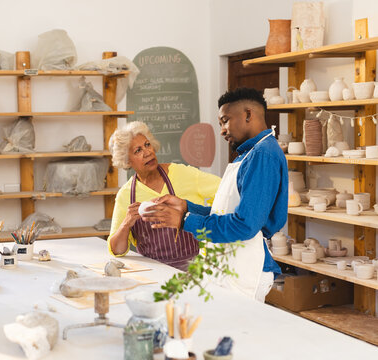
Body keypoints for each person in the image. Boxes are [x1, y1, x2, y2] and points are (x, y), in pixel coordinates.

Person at [143, 87, 287, 302]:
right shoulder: (248, 154)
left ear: (248, 115)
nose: (222, 130)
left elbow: (245, 225)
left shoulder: (263, 154)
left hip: (245, 268)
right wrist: (186, 207)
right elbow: (227, 213)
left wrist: (184, 221)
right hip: (230, 263)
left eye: (225, 120)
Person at [107, 121, 220, 270]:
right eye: (138, 150)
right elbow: (117, 250)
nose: (147, 152)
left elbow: (226, 191)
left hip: (194, 269)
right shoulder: (126, 195)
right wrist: (126, 223)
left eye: (147, 145)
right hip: (153, 272)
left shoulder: (182, 173)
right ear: (127, 161)